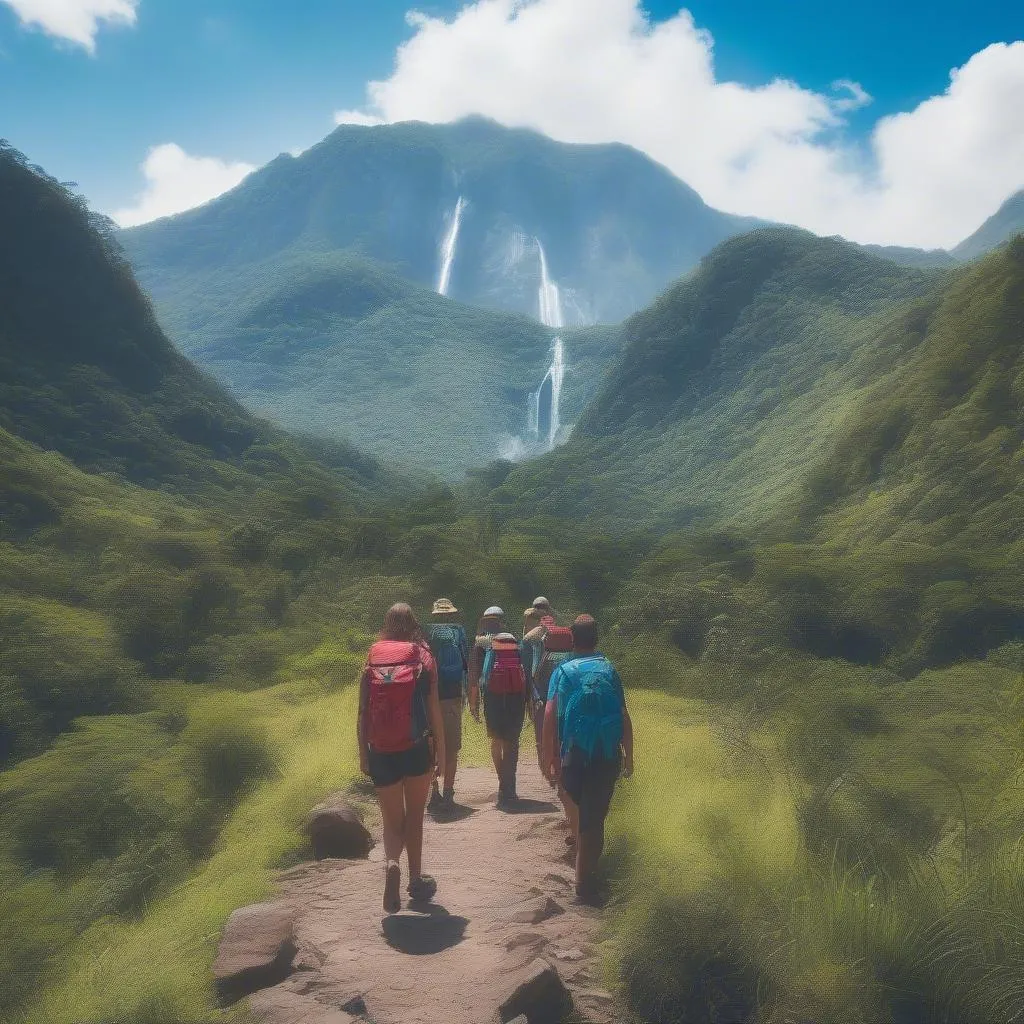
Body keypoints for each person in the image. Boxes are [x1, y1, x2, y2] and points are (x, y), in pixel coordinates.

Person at [357, 602, 446, 914]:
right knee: (415, 818)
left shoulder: (373, 655)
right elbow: (434, 711)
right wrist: (442, 755)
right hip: (416, 746)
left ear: (386, 624)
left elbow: (363, 711)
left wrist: (362, 753)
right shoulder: (422, 656)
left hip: (380, 748)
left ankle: (392, 863)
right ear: (413, 624)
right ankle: (415, 879)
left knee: (392, 821)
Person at [542, 614, 634, 902]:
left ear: (571, 639)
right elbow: (622, 713)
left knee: (582, 815)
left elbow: (549, 714)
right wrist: (629, 755)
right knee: (594, 821)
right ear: (597, 639)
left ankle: (583, 880)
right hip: (606, 753)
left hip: (575, 753)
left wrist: (550, 757)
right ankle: (586, 884)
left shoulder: (564, 670)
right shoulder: (608, 668)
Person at [469, 606, 528, 808]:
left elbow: (475, 675)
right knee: (511, 743)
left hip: (492, 698)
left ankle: (503, 782)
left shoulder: (480, 643)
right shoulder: (514, 642)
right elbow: (524, 673)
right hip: (515, 697)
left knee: (496, 740)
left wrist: (474, 701)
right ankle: (508, 787)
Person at [424, 597, 469, 811]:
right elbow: (467, 664)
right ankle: (449, 793)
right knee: (451, 748)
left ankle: (434, 792)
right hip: (452, 695)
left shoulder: (425, 633)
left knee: (431, 746)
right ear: (452, 613)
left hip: (429, 697)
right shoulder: (459, 631)